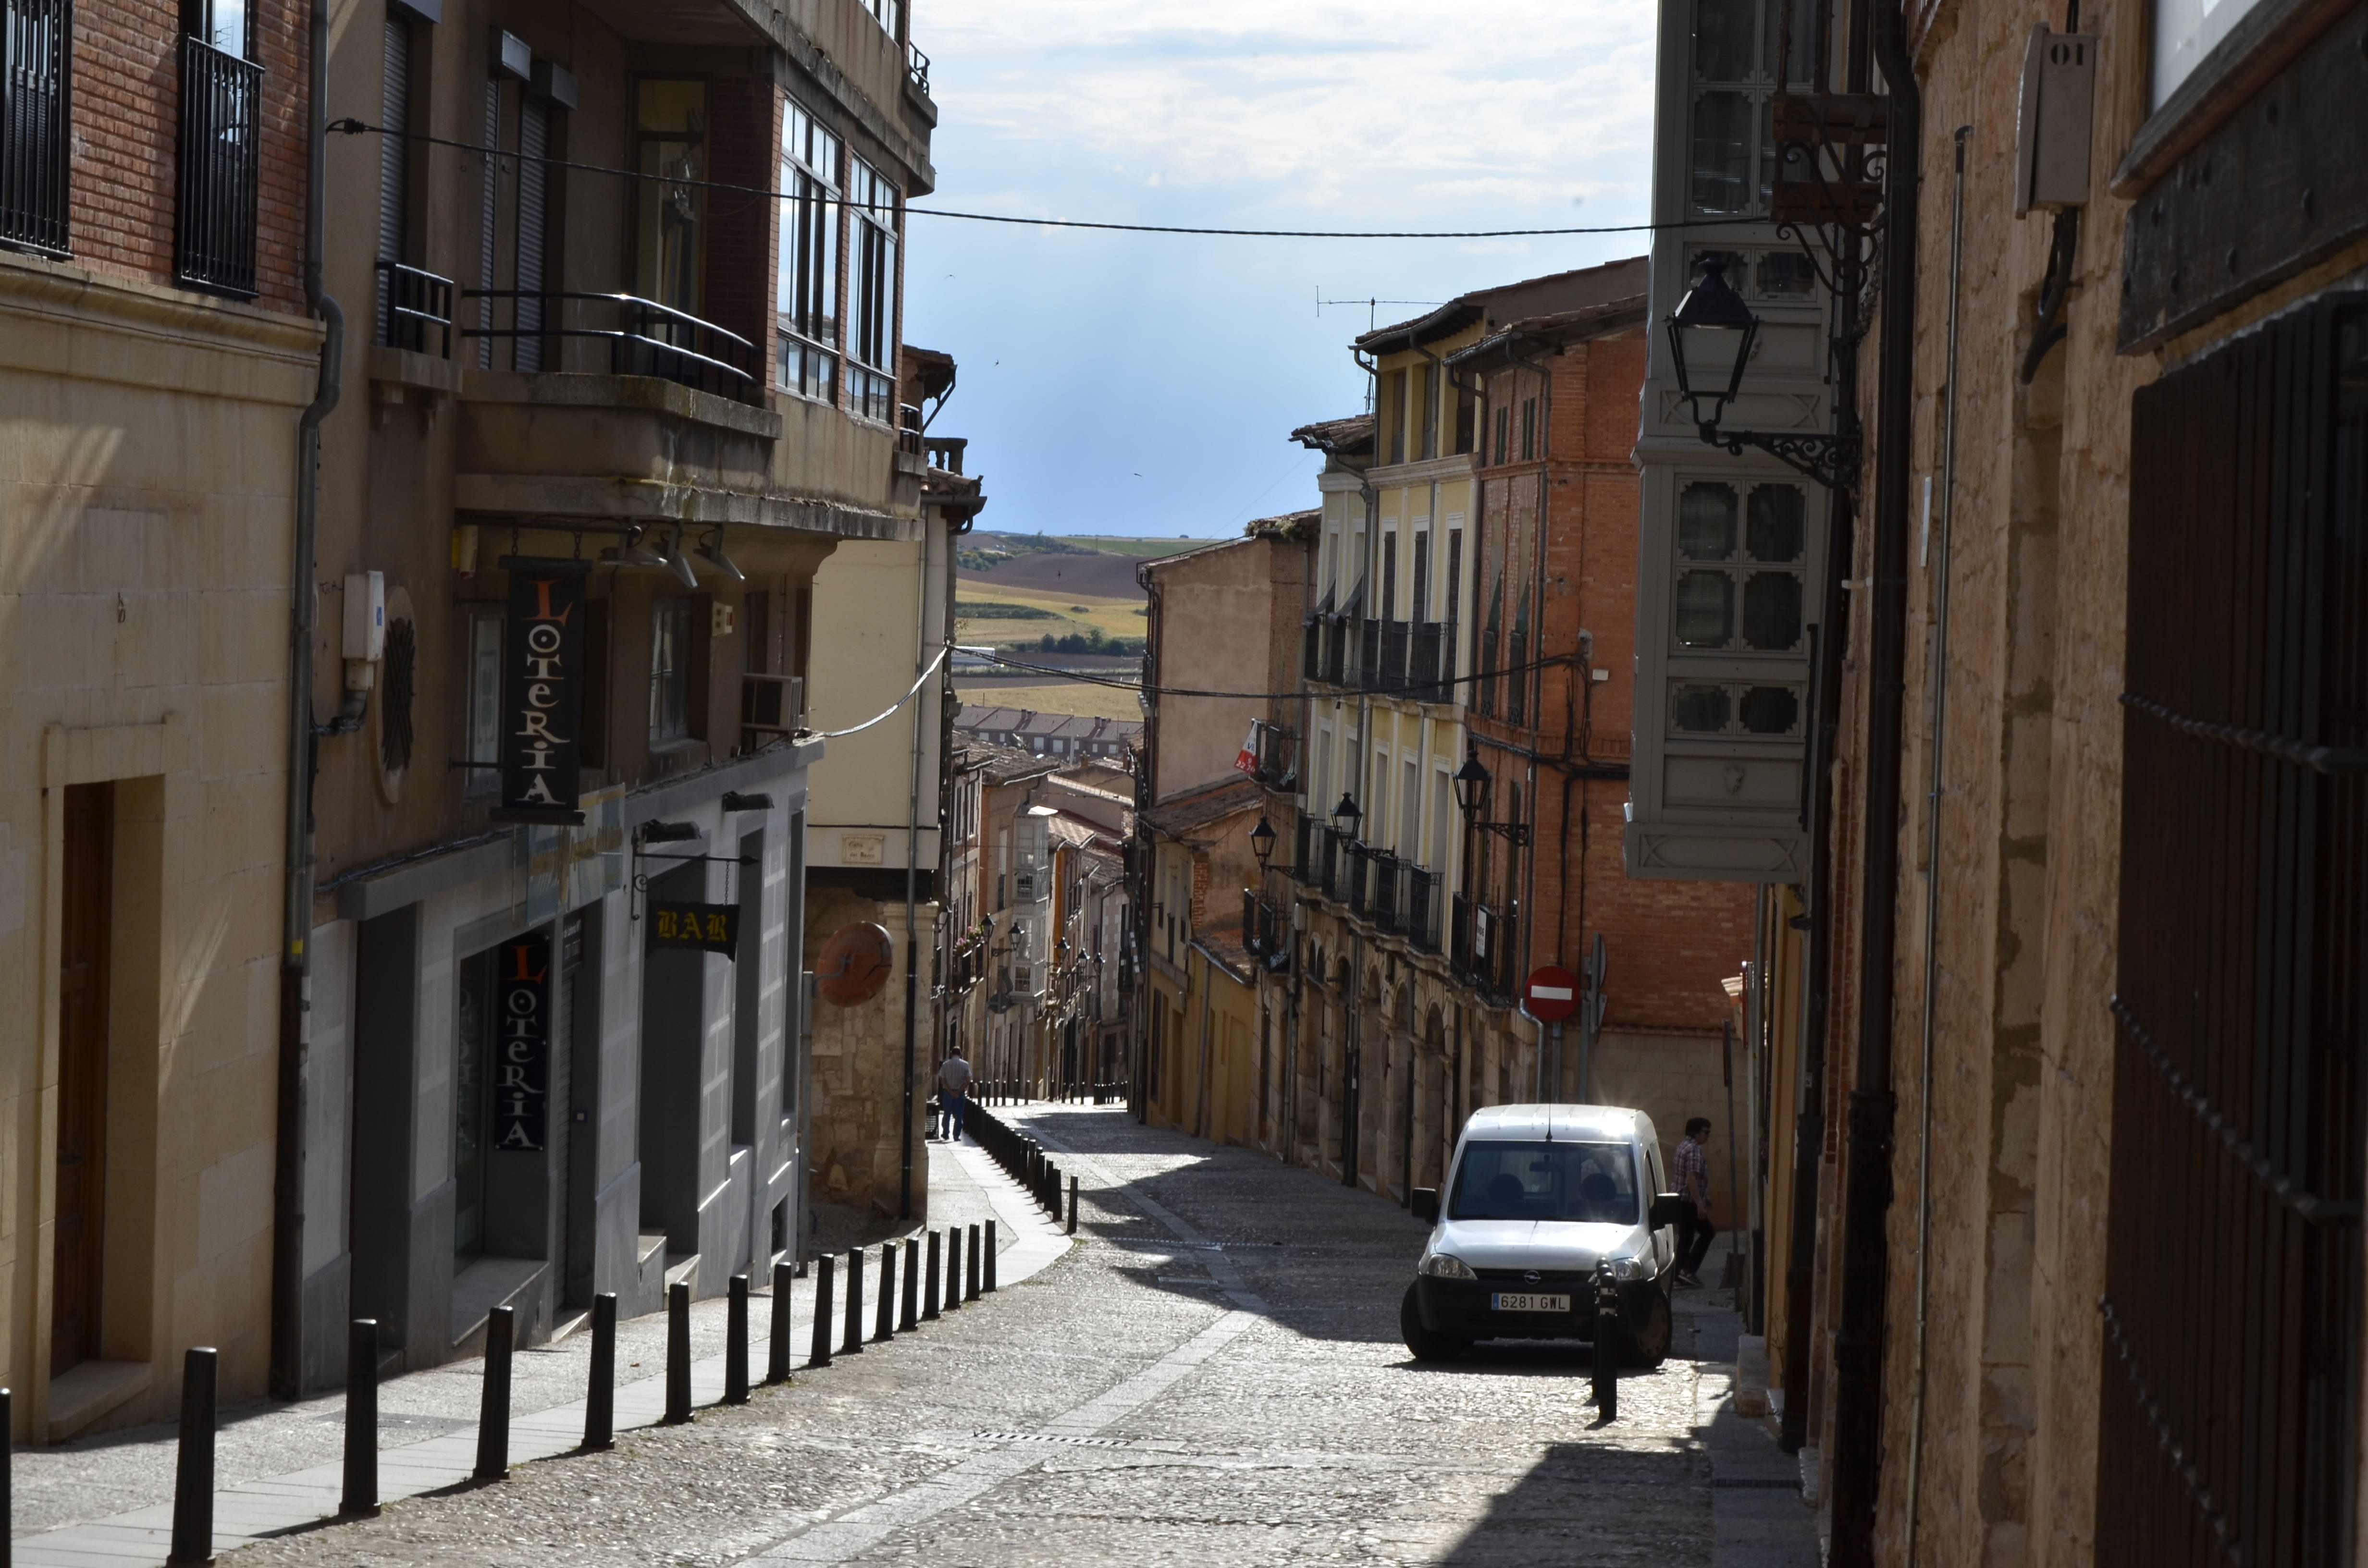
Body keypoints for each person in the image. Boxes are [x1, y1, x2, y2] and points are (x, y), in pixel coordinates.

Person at [1673, 1116, 1717, 1288]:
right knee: (1708, 1233)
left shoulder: (1684, 1146)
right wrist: (1700, 1204)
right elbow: (1691, 1179)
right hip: (1688, 1202)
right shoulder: (1693, 1150)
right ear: (1696, 1132)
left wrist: (1705, 1197)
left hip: (1682, 1200)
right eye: (1706, 1132)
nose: (1708, 1136)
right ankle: (1688, 1271)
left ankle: (1679, 1276)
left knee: (1686, 1238)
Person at [937, 1049, 974, 1142]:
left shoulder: (946, 1065)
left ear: (951, 1054)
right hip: (960, 1093)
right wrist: (958, 1091)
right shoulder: (965, 1065)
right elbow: (968, 1080)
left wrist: (950, 1091)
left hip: (948, 1093)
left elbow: (942, 1080)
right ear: (960, 1054)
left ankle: (946, 1133)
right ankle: (956, 1135)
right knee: (959, 1114)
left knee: (947, 1113)